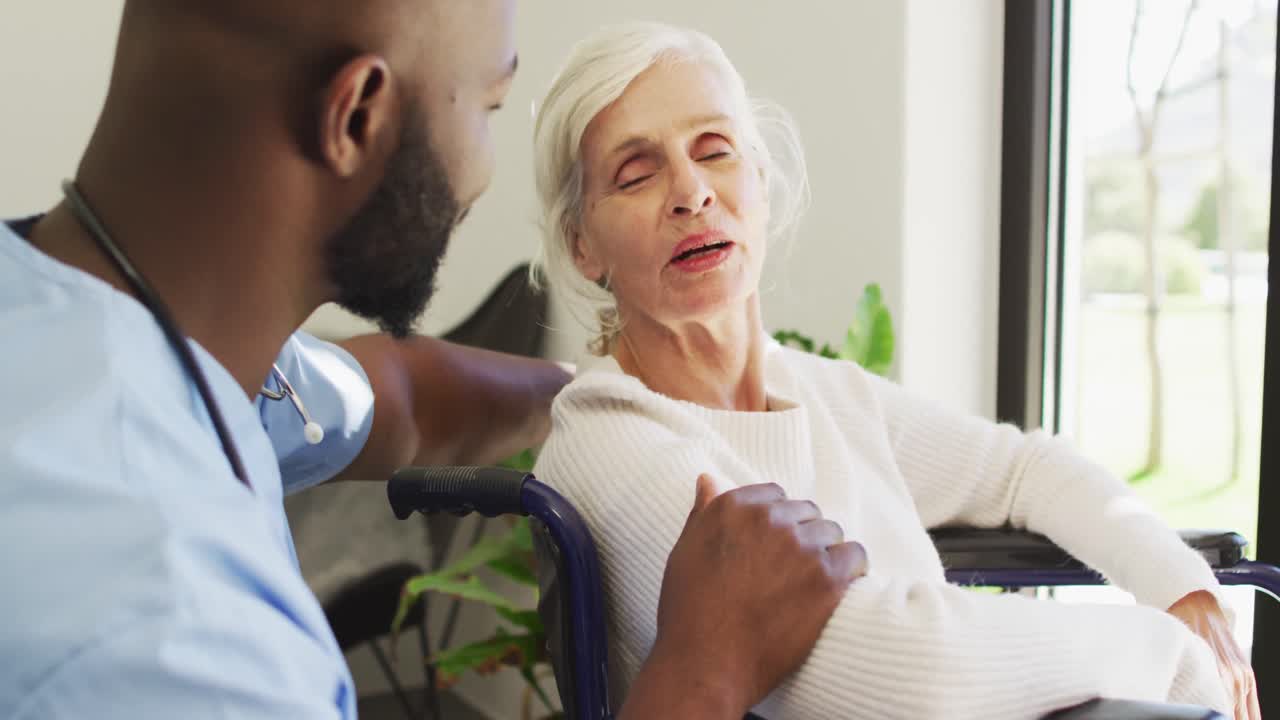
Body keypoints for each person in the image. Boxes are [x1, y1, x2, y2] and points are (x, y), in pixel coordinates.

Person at [0, 2, 865, 718]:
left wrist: (617, 397)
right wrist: (706, 668)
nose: (485, 172)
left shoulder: (127, 332)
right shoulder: (176, 637)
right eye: (488, 107)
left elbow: (405, 396)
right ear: (358, 118)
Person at [530, 21, 1261, 720]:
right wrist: (1175, 655)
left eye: (715, 149)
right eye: (636, 173)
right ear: (583, 244)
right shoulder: (609, 438)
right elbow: (921, 675)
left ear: (760, 177)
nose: (691, 192)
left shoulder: (833, 396)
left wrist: (1180, 588)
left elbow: (1024, 470)